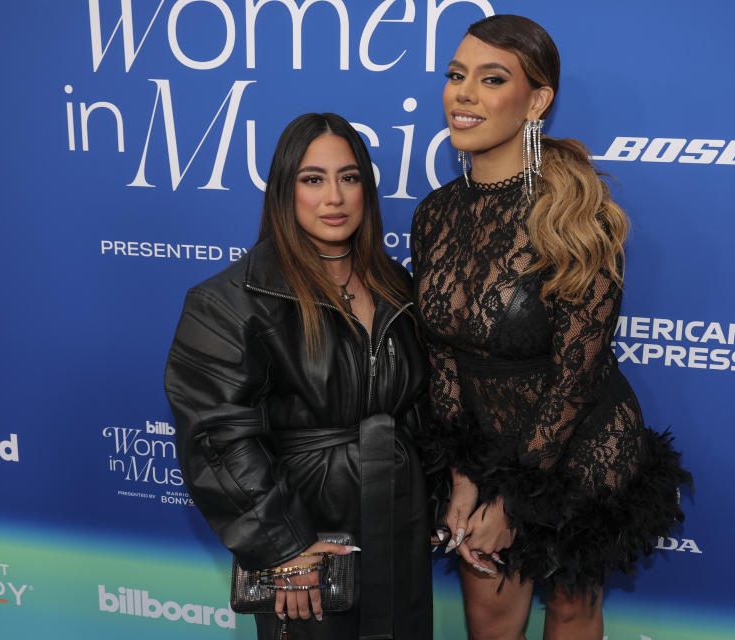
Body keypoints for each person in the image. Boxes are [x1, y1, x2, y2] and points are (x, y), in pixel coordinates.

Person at [410, 15, 692, 640]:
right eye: (457, 77)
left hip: (579, 439)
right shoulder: (432, 215)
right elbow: (443, 356)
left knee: (569, 608)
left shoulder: (575, 211)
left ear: (537, 100)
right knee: (489, 615)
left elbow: (576, 377)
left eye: (491, 79)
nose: (464, 94)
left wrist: (514, 498)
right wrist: (463, 474)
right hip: (483, 440)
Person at [166, 113, 432, 640]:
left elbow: (422, 402)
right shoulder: (230, 300)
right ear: (285, 190)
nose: (333, 196)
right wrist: (284, 547)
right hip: (307, 531)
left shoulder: (397, 285)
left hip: (398, 520)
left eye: (349, 177)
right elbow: (217, 437)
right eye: (313, 179)